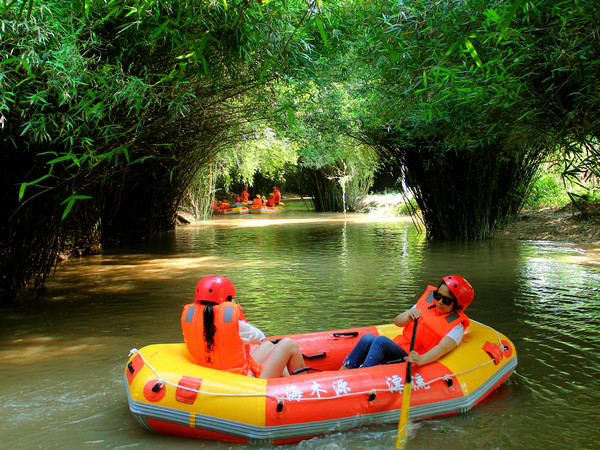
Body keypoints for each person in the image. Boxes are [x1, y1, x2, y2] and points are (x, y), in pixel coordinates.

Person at [181, 276, 305, 378]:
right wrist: (238, 315)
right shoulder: (234, 323)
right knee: (289, 344)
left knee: (268, 345)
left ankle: (286, 382)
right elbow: (260, 336)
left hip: (215, 379)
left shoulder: (190, 319)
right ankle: (304, 385)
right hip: (244, 383)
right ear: (227, 300)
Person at [340, 275, 473, 369]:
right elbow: (398, 322)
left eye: (446, 300)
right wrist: (408, 315)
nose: (439, 302)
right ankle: (344, 372)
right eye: (438, 296)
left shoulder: (456, 327)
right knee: (367, 338)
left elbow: (441, 349)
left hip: (411, 356)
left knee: (381, 341)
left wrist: (420, 360)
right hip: (399, 347)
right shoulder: (426, 304)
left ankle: (363, 374)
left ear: (457, 305)